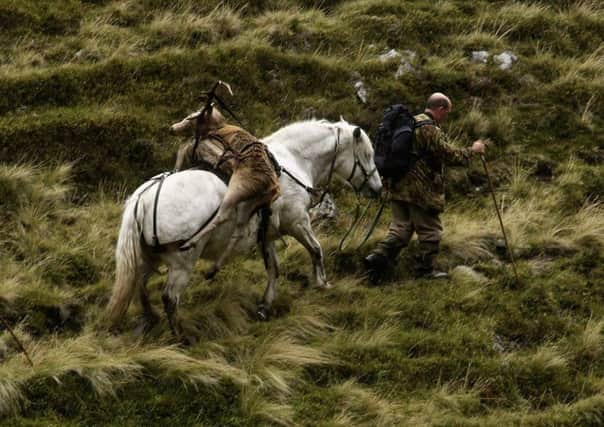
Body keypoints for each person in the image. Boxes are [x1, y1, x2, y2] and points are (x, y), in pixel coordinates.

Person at [364, 92, 485, 280]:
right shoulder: (428, 128)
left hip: (396, 186)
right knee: (430, 231)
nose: (446, 117)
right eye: (447, 113)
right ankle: (424, 270)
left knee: (400, 229)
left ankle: (377, 260)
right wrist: (473, 151)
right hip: (420, 190)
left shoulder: (408, 124)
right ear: (440, 108)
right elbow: (449, 155)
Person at [171, 105, 280, 277]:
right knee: (241, 217)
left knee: (225, 209)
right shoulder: (229, 131)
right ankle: (219, 260)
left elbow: (177, 128)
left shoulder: (212, 137)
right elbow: (179, 127)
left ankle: (196, 239)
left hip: (245, 170)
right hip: (263, 175)